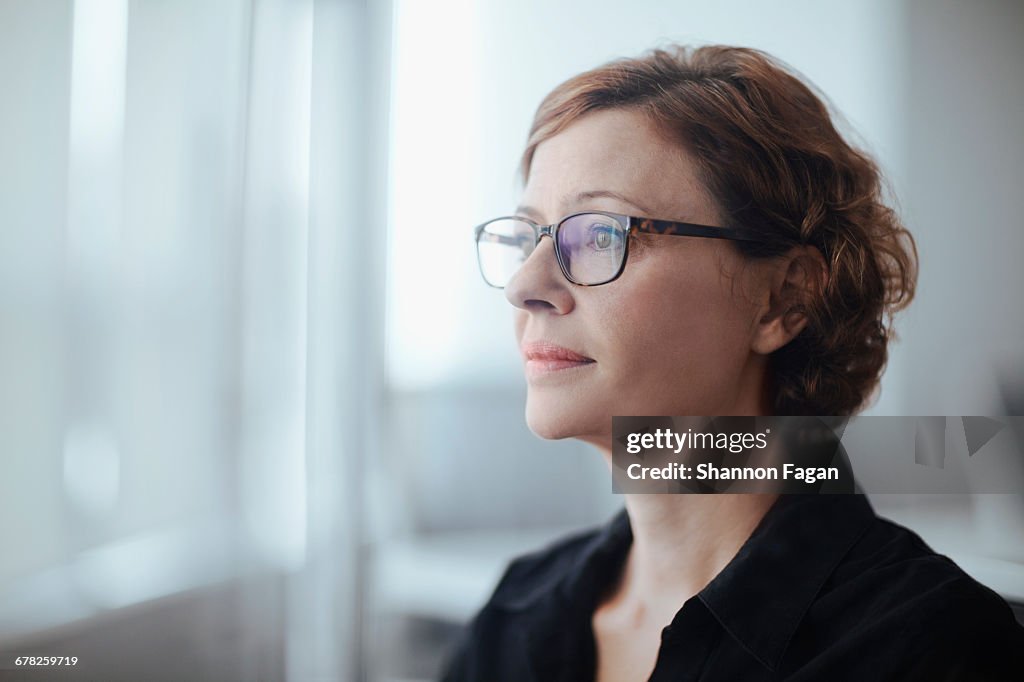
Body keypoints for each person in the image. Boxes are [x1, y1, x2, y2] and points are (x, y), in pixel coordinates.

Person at [441, 45, 1024, 681]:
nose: (524, 285)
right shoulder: (514, 619)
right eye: (528, 236)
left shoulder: (931, 649)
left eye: (602, 234)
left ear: (784, 299)